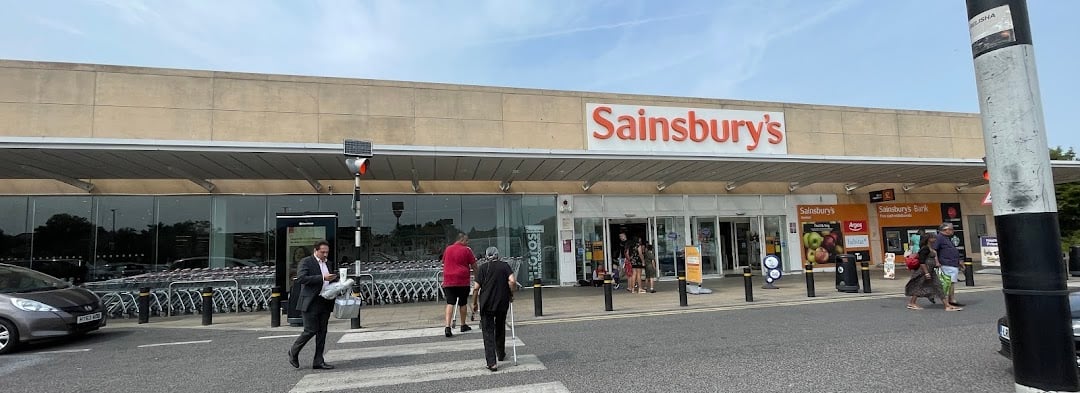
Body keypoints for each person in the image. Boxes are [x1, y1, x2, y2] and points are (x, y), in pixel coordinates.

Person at [288, 240, 337, 370]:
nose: (325, 254)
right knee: (310, 330)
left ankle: (318, 360)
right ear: (315, 250)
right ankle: (293, 351)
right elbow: (302, 278)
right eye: (323, 252)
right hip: (311, 301)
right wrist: (322, 278)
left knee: (322, 332)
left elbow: (330, 280)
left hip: (325, 301)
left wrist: (338, 283)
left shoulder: (329, 263)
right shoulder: (306, 262)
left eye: (327, 252)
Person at [470, 247, 517, 372]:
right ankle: (500, 353)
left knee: (488, 332)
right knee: (500, 326)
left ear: (486, 256)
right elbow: (512, 281)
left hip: (487, 303)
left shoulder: (483, 268)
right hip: (502, 302)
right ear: (498, 255)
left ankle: (492, 363)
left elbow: (475, 289)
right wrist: (511, 294)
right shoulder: (505, 266)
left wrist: (474, 303)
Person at [905, 235, 960, 311]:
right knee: (919, 285)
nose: (935, 239)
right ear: (928, 239)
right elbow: (922, 262)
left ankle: (947, 305)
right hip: (924, 271)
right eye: (933, 238)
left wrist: (936, 264)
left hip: (931, 270)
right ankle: (912, 303)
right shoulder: (925, 249)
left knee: (938, 286)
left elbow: (933, 258)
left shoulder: (931, 248)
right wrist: (926, 273)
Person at [442, 233, 478, 337]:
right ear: (462, 240)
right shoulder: (467, 250)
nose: (467, 243)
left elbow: (444, 262)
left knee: (450, 302)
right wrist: (478, 277)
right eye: (466, 241)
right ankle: (463, 325)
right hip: (462, 280)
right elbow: (474, 265)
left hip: (448, 280)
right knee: (463, 303)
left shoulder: (448, 249)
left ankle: (447, 327)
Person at [932, 222, 964, 307]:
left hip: (952, 263)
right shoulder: (939, 238)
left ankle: (951, 299)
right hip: (946, 263)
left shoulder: (946, 238)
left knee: (951, 282)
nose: (953, 231)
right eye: (951, 229)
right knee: (949, 282)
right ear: (946, 230)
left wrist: (959, 261)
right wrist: (937, 261)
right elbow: (934, 250)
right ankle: (950, 300)